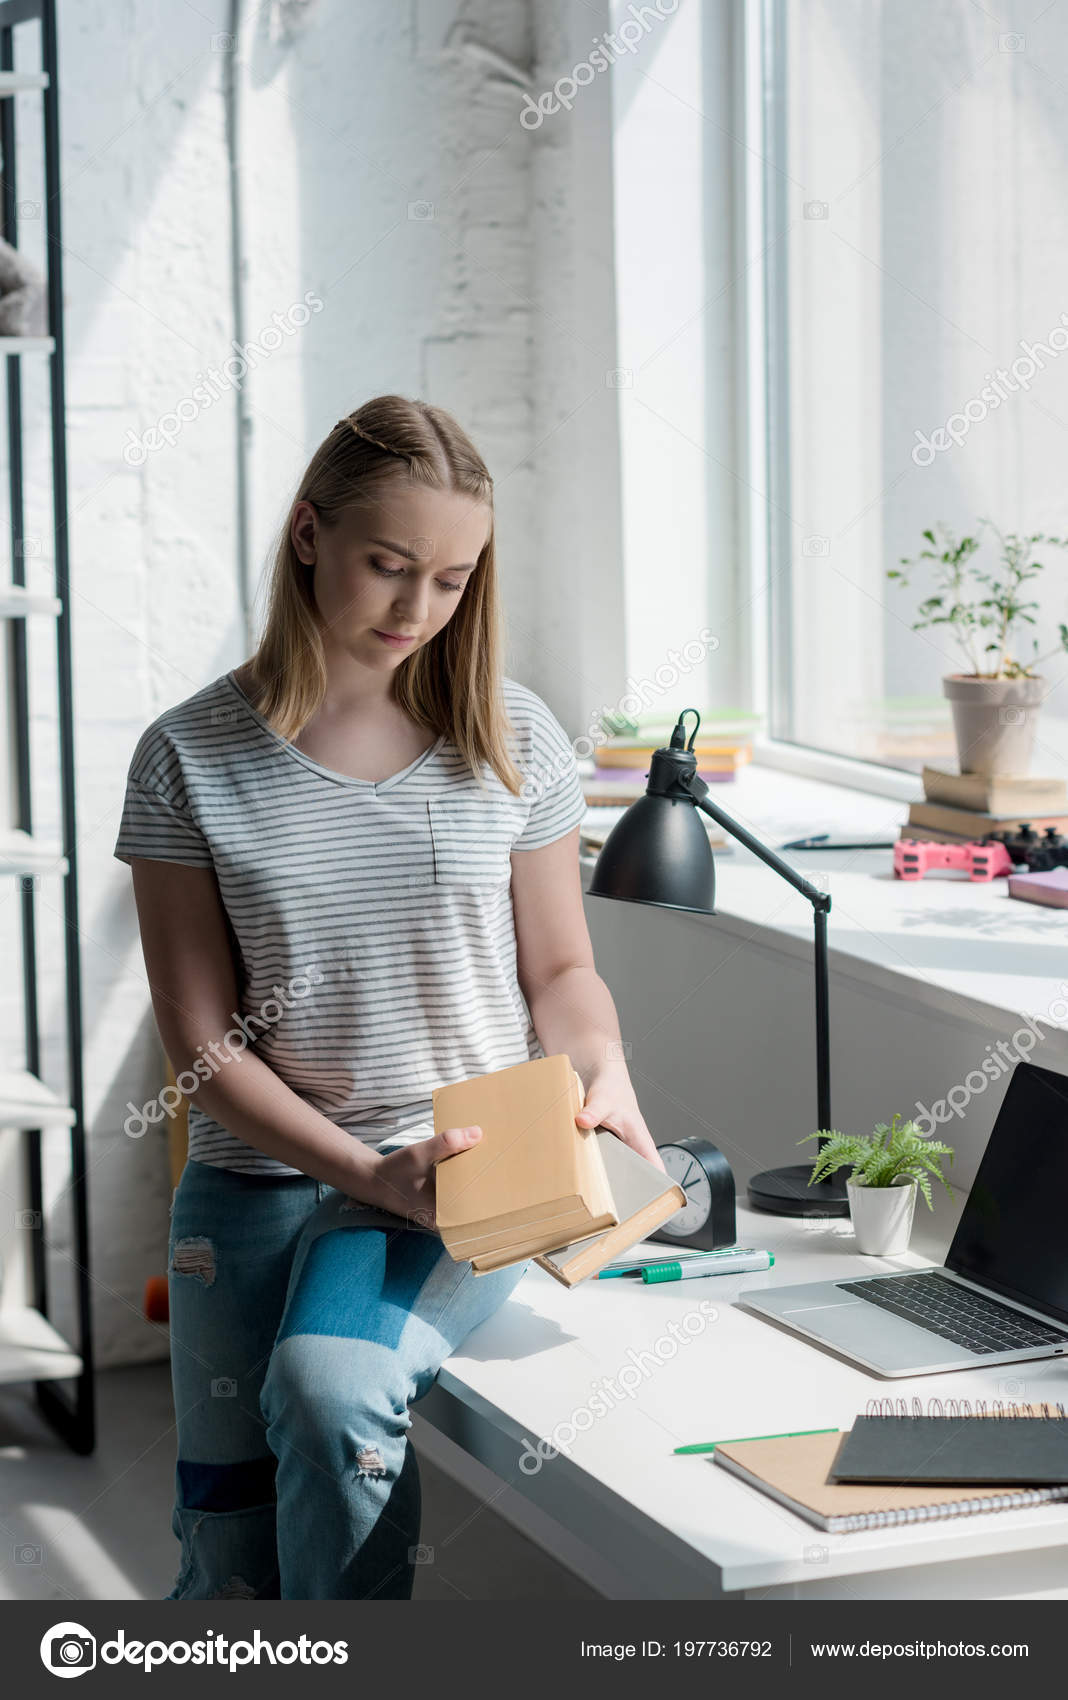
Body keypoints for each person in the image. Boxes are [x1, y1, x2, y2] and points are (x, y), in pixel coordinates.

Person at [114, 393, 664, 1601]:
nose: (419, 610)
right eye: (390, 566)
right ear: (309, 533)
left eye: (454, 579)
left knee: (330, 1392)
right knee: (228, 1554)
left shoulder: (511, 735)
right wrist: (358, 1168)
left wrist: (598, 1065)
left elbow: (561, 970)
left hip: (458, 1166)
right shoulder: (186, 755)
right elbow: (201, 1045)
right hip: (254, 1181)